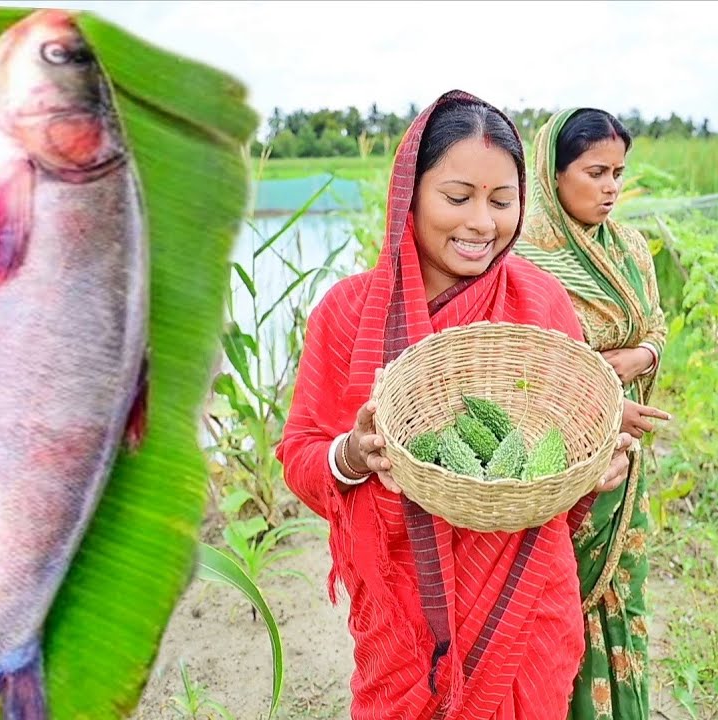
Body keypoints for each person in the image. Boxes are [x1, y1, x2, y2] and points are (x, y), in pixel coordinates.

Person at [274, 90, 635, 720]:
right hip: (404, 624)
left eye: (502, 202)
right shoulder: (349, 314)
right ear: (408, 195)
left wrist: (596, 464)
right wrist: (354, 454)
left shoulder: (542, 305)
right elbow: (302, 454)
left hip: (527, 597)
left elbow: (561, 454)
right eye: (457, 197)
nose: (481, 224)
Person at [515, 107, 671, 720]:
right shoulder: (524, 261)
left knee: (623, 600)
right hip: (567, 465)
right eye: (595, 172)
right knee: (558, 605)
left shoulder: (631, 246)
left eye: (619, 173)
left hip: (627, 462)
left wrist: (627, 358)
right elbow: (531, 367)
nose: (611, 187)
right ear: (552, 176)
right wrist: (607, 373)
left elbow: (656, 328)